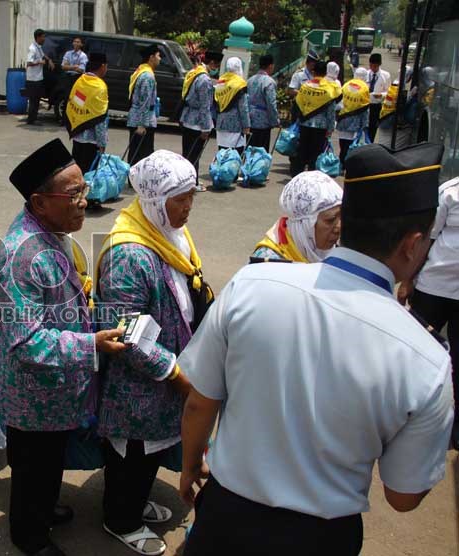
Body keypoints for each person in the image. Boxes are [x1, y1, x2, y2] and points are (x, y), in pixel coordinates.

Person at [179, 142, 454, 556]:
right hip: (322, 537)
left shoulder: (252, 285)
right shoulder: (426, 359)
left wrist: (188, 468)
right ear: (412, 244)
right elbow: (402, 495)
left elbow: (200, 402)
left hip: (225, 516)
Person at [0, 139, 126, 556]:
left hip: (53, 392)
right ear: (39, 202)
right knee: (33, 468)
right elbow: (27, 342)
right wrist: (92, 344)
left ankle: (45, 509)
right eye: (75, 195)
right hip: (31, 397)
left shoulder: (52, 232)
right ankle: (30, 538)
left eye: (85, 190)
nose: (86, 202)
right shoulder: (20, 256)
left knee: (48, 465)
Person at [95, 151, 212, 556]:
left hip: (164, 377)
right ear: (153, 200)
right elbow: (126, 331)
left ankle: (134, 502)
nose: (187, 208)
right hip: (138, 384)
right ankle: (120, 519)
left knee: (149, 453)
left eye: (190, 197)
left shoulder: (167, 234)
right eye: (178, 199)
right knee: (132, 454)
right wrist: (175, 372)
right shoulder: (129, 253)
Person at [399, 176, 459, 450]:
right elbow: (424, 241)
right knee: (416, 352)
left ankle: (452, 428)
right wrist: (408, 280)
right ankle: (401, 415)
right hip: (433, 288)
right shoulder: (450, 193)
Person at [251, 171, 342, 263]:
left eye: (342, 217)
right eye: (330, 220)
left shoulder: (337, 253)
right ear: (304, 224)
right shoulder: (267, 263)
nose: (339, 227)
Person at [180, 51, 222, 191]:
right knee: (194, 155)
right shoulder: (204, 79)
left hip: (187, 118)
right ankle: (192, 183)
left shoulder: (194, 73)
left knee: (187, 153)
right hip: (197, 122)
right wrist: (206, 127)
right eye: (217, 65)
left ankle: (187, 181)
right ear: (211, 63)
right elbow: (205, 106)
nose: (217, 68)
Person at [65, 52, 109, 174]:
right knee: (88, 177)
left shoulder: (80, 81)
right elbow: (100, 117)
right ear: (102, 66)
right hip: (92, 141)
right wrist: (102, 143)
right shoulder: (100, 87)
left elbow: (73, 106)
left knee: (77, 174)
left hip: (77, 134)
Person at [295, 61, 338, 172]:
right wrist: (330, 128)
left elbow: (299, 103)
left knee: (302, 150)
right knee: (316, 153)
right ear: (325, 73)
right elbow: (331, 111)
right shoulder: (329, 89)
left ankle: (298, 174)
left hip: (305, 123)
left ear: (313, 72)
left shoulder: (305, 86)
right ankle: (312, 175)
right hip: (320, 127)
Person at [214, 57, 250, 177]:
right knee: (235, 151)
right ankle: (231, 175)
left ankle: (220, 172)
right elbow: (243, 108)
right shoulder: (240, 84)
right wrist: (246, 125)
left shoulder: (220, 82)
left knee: (222, 150)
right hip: (235, 124)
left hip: (221, 122)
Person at [126, 44, 161, 165]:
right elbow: (144, 102)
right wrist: (142, 124)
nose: (159, 58)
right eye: (158, 56)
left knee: (136, 151)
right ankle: (138, 181)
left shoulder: (140, 70)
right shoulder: (147, 76)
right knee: (142, 154)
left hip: (137, 117)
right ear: (151, 57)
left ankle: (134, 180)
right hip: (143, 121)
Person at [287, 50, 320, 176]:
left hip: (312, 110)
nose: (314, 66)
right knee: (296, 136)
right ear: (309, 63)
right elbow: (290, 91)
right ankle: (294, 162)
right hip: (299, 108)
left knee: (308, 138)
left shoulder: (316, 76)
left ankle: (305, 161)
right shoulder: (299, 75)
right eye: (313, 64)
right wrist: (303, 93)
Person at [337, 67, 371, 162]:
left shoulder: (346, 85)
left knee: (342, 144)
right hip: (355, 122)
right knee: (351, 146)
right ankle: (347, 164)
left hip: (343, 119)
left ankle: (341, 164)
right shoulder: (364, 88)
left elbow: (339, 102)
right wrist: (365, 125)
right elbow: (365, 109)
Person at [246, 54, 279, 152]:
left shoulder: (250, 80)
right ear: (270, 66)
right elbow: (271, 103)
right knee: (261, 151)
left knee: (249, 149)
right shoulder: (269, 82)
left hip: (250, 119)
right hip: (263, 122)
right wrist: (275, 121)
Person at [26, 29, 54, 126]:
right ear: (38, 37)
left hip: (38, 78)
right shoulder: (32, 48)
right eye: (43, 37)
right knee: (33, 100)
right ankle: (31, 120)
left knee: (37, 99)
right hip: (32, 79)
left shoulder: (38, 47)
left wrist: (49, 60)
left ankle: (34, 118)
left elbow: (43, 55)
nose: (44, 39)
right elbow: (29, 62)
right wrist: (40, 62)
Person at [366, 53, 391, 141]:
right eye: (371, 65)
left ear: (379, 65)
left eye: (375, 66)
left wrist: (381, 95)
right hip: (365, 104)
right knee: (364, 126)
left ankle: (370, 142)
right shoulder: (365, 74)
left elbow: (388, 91)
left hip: (376, 105)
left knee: (373, 127)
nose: (373, 68)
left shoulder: (385, 75)